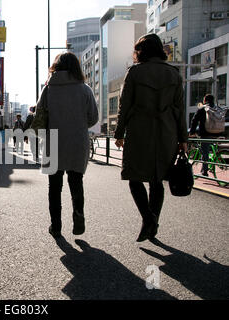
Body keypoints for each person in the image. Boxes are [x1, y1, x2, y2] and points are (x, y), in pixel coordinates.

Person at [114, 33, 188, 242]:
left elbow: (125, 106)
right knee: (157, 181)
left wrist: (119, 133)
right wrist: (183, 138)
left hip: (139, 131)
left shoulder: (135, 73)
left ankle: (148, 219)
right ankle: (152, 221)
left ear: (141, 52)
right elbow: (179, 109)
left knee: (134, 177)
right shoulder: (173, 74)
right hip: (167, 132)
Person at [33, 52, 99, 238]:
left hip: (53, 141)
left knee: (54, 188)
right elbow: (93, 117)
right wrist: (77, 124)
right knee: (76, 182)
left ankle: (56, 226)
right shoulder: (84, 89)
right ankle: (78, 214)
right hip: (78, 141)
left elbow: (39, 115)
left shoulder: (48, 89)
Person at [189, 94, 225, 176]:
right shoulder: (217, 108)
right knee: (212, 149)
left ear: (205, 100)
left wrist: (192, 132)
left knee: (204, 153)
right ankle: (217, 161)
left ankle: (204, 171)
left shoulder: (202, 108)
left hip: (205, 134)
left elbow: (194, 120)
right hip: (218, 133)